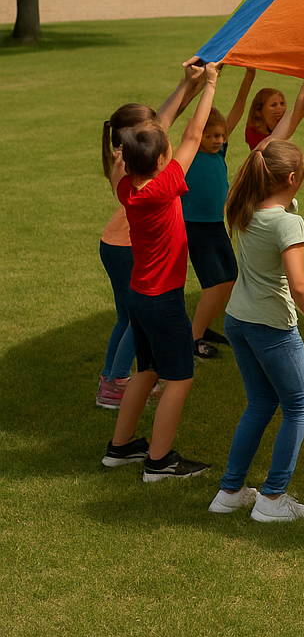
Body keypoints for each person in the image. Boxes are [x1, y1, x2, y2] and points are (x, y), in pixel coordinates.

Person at [101, 59, 223, 481]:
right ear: (160, 162)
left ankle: (119, 449)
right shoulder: (164, 187)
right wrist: (209, 85)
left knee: (148, 368)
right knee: (180, 378)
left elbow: (163, 138)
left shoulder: (126, 184)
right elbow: (192, 134)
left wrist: (191, 85)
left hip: (141, 295)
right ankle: (159, 461)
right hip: (162, 299)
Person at [210, 139, 304, 522]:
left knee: (262, 403)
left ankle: (229, 491)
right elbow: (299, 285)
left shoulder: (247, 208)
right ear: (293, 178)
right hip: (272, 327)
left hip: (238, 321)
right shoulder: (287, 223)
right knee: (299, 407)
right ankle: (271, 499)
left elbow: (281, 203)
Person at [95, 67, 204, 410]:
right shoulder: (132, 170)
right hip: (127, 249)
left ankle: (111, 379)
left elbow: (164, 117)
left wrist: (191, 82)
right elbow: (184, 133)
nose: (158, 129)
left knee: (127, 316)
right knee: (134, 318)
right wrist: (206, 84)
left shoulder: (128, 161)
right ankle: (115, 380)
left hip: (117, 244)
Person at [181, 66, 255, 359]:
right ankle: (193, 340)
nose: (217, 140)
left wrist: (248, 80)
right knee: (214, 285)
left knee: (231, 279)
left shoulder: (220, 151)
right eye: (211, 135)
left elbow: (236, 113)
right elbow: (198, 127)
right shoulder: (190, 155)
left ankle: (202, 328)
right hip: (194, 227)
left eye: (221, 136)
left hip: (216, 226)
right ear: (200, 135)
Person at [244, 76, 304, 150]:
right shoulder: (253, 133)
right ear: (258, 111)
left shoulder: (283, 126)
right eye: (273, 105)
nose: (279, 108)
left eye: (282, 103)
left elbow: (303, 108)